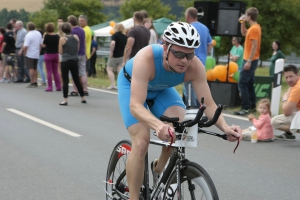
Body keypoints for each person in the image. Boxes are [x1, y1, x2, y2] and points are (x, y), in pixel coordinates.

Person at [117, 22, 242, 200]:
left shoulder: (195, 66)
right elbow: (135, 105)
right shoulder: (147, 58)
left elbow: (210, 104)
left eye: (189, 55)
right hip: (132, 86)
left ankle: (159, 168)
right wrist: (158, 124)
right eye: (178, 54)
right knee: (142, 141)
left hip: (161, 90)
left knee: (179, 127)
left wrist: (226, 127)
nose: (184, 60)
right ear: (165, 46)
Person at [234, 7, 261, 116]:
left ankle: (245, 108)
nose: (245, 16)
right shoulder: (253, 28)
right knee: (249, 84)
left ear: (249, 16)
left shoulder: (254, 29)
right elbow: (244, 33)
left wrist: (249, 61)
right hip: (250, 59)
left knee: (242, 83)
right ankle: (252, 107)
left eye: (246, 15)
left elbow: (254, 46)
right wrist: (242, 22)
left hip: (251, 59)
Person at [183, 7, 212, 107]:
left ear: (188, 16)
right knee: (199, 86)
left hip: (190, 59)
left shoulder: (188, 27)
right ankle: (200, 108)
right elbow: (210, 43)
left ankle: (191, 108)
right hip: (202, 60)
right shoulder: (205, 28)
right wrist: (205, 52)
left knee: (189, 87)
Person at [58, 22, 86, 106]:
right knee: (76, 79)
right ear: (71, 29)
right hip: (74, 60)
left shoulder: (62, 39)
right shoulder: (76, 37)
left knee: (65, 80)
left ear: (63, 30)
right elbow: (77, 48)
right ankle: (82, 98)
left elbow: (60, 51)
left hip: (65, 61)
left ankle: (65, 99)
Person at [271, 65, 300, 140]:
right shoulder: (296, 84)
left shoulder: (297, 88)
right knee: (292, 105)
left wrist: (284, 99)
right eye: (286, 77)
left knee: (274, 121)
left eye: (291, 76)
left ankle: (294, 128)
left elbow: (286, 112)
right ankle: (288, 133)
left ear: (297, 75)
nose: (289, 80)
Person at [67, 15, 87, 97]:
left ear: (70, 23)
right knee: (82, 72)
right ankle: (85, 89)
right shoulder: (82, 30)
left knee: (73, 73)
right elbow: (84, 41)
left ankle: (75, 90)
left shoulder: (72, 31)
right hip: (82, 52)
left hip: (75, 54)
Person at [107, 23, 127, 89]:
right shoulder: (125, 37)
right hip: (122, 55)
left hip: (114, 55)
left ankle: (113, 84)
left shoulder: (114, 35)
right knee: (119, 71)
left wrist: (111, 52)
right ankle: (120, 85)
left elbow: (113, 43)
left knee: (109, 70)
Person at [22, 22, 42, 88]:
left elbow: (25, 46)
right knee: (35, 68)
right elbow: (40, 44)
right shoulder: (38, 33)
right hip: (36, 52)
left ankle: (32, 81)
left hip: (30, 53)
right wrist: (39, 51)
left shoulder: (28, 35)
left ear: (28, 28)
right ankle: (35, 81)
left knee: (31, 68)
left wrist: (25, 53)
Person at [42, 23, 61, 91]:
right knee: (55, 71)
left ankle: (50, 87)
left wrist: (42, 40)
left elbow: (43, 46)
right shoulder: (57, 36)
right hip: (56, 54)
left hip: (48, 54)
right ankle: (58, 86)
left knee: (49, 71)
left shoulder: (46, 36)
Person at [78, 14, 91, 96]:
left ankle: (84, 88)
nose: (80, 22)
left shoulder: (85, 30)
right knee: (84, 72)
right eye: (79, 21)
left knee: (82, 72)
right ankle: (84, 88)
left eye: (82, 21)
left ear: (86, 21)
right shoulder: (86, 29)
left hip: (84, 53)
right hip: (86, 53)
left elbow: (83, 42)